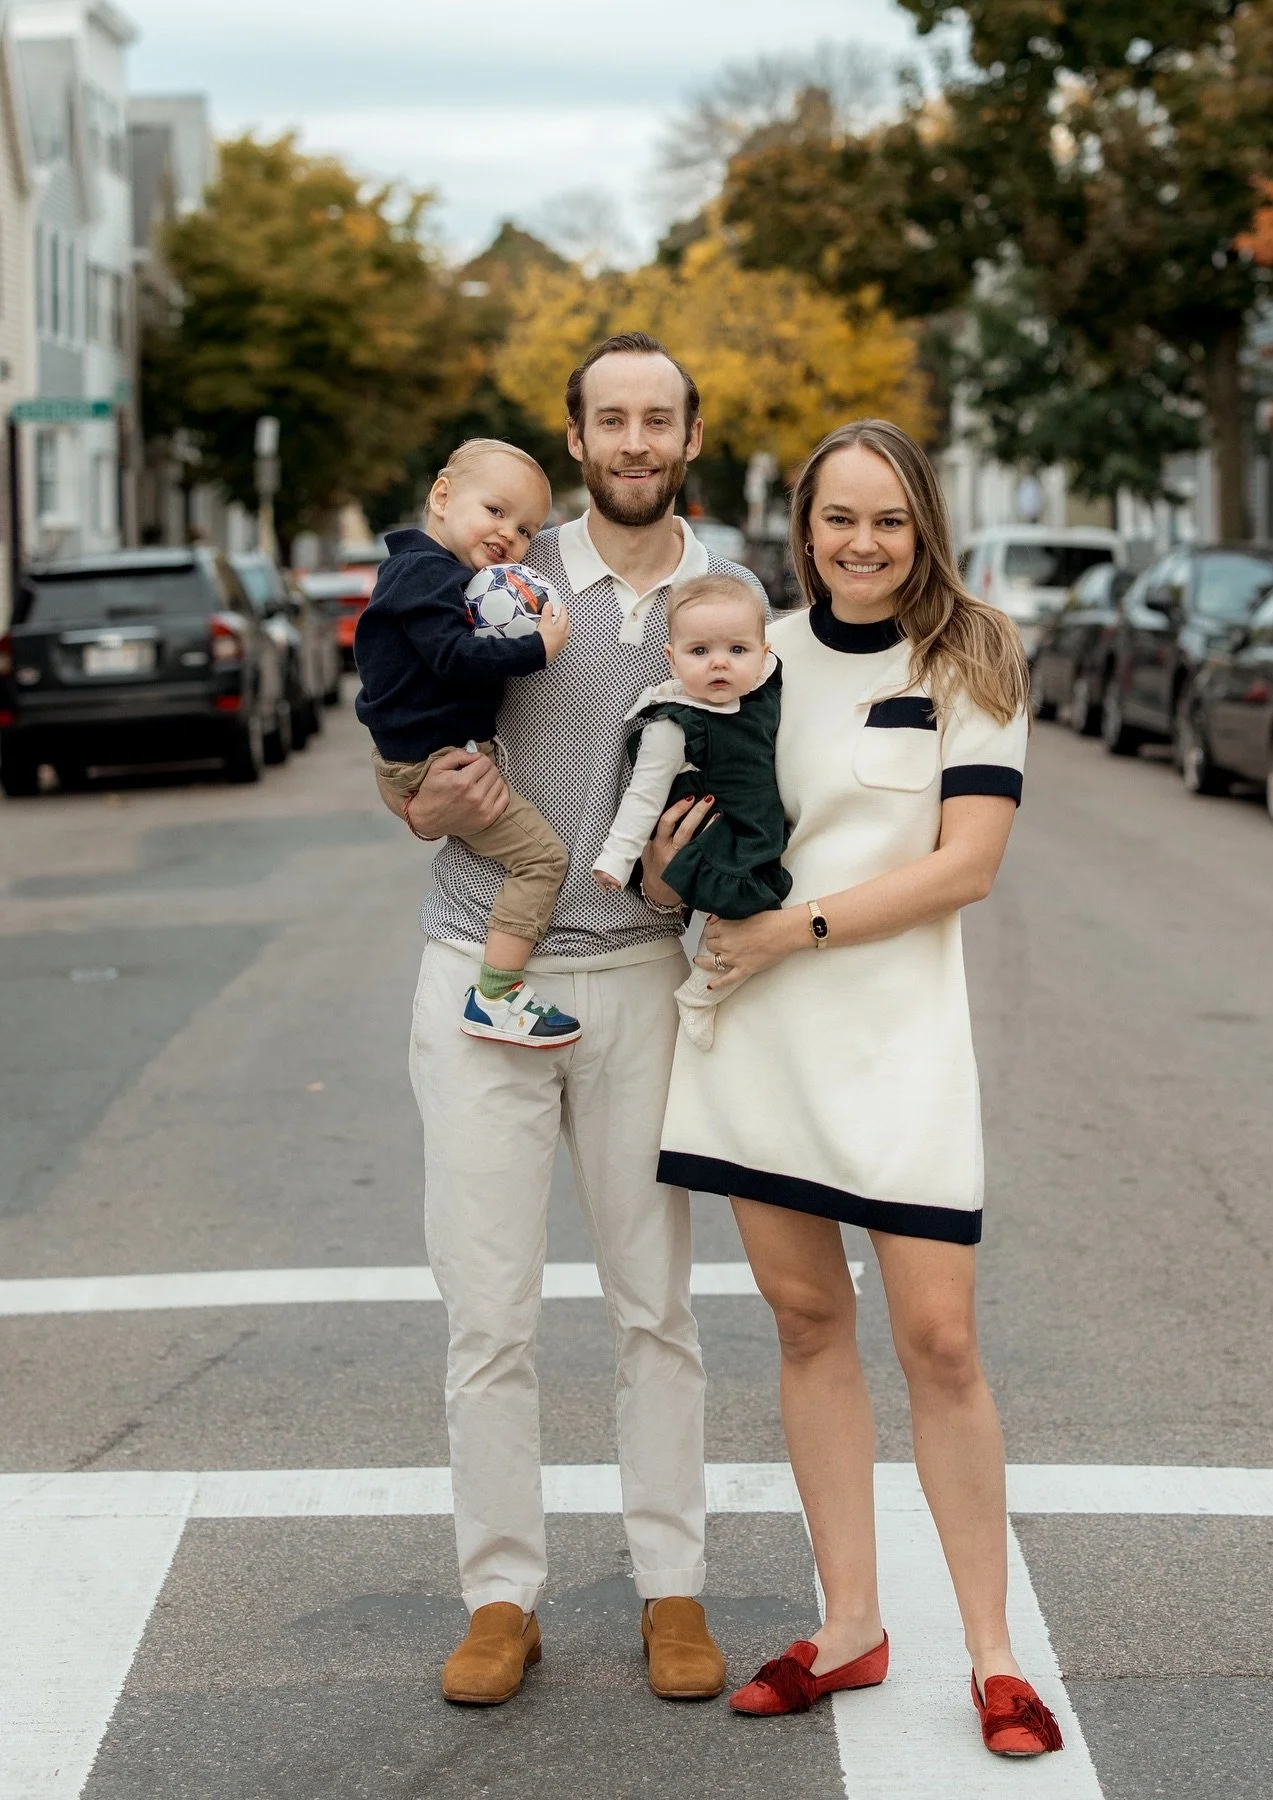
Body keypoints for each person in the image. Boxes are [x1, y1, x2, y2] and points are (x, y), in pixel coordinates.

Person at [653, 419, 1065, 1757]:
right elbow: (695, 819)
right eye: (839, 518)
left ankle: (993, 1654)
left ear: (922, 522)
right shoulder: (751, 655)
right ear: (804, 527)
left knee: (940, 1342)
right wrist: (671, 871)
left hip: (897, 1040)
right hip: (759, 1037)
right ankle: (849, 1627)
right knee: (805, 1323)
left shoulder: (974, 654)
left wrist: (796, 929)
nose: (864, 543)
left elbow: (968, 865)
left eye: (888, 518)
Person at [377, 333, 765, 1707]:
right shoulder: (503, 572)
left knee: (655, 1307)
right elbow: (404, 752)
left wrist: (697, 876)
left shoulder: (732, 598)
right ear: (579, 436)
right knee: (489, 1313)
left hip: (644, 976)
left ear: (690, 436)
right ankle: (501, 1597)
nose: (636, 442)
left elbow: (759, 783)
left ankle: (672, 1585)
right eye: (613, 420)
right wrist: (423, 802)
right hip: (480, 971)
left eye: (659, 419)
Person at [355, 439, 580, 1047]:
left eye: (527, 529)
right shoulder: (425, 574)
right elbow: (452, 657)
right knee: (542, 858)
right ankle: (497, 994)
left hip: (424, 757)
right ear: (442, 495)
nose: (510, 534)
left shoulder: (433, 574)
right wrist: (536, 649)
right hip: (429, 763)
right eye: (496, 511)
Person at [593, 571, 789, 1049]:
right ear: (672, 658)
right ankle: (699, 995)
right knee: (738, 913)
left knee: (759, 923)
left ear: (763, 654)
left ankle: (709, 991)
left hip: (760, 826)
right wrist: (617, 858)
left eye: (737, 650)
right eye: (699, 651)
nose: (719, 663)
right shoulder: (673, 724)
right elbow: (642, 796)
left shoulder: (763, 690)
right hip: (722, 834)